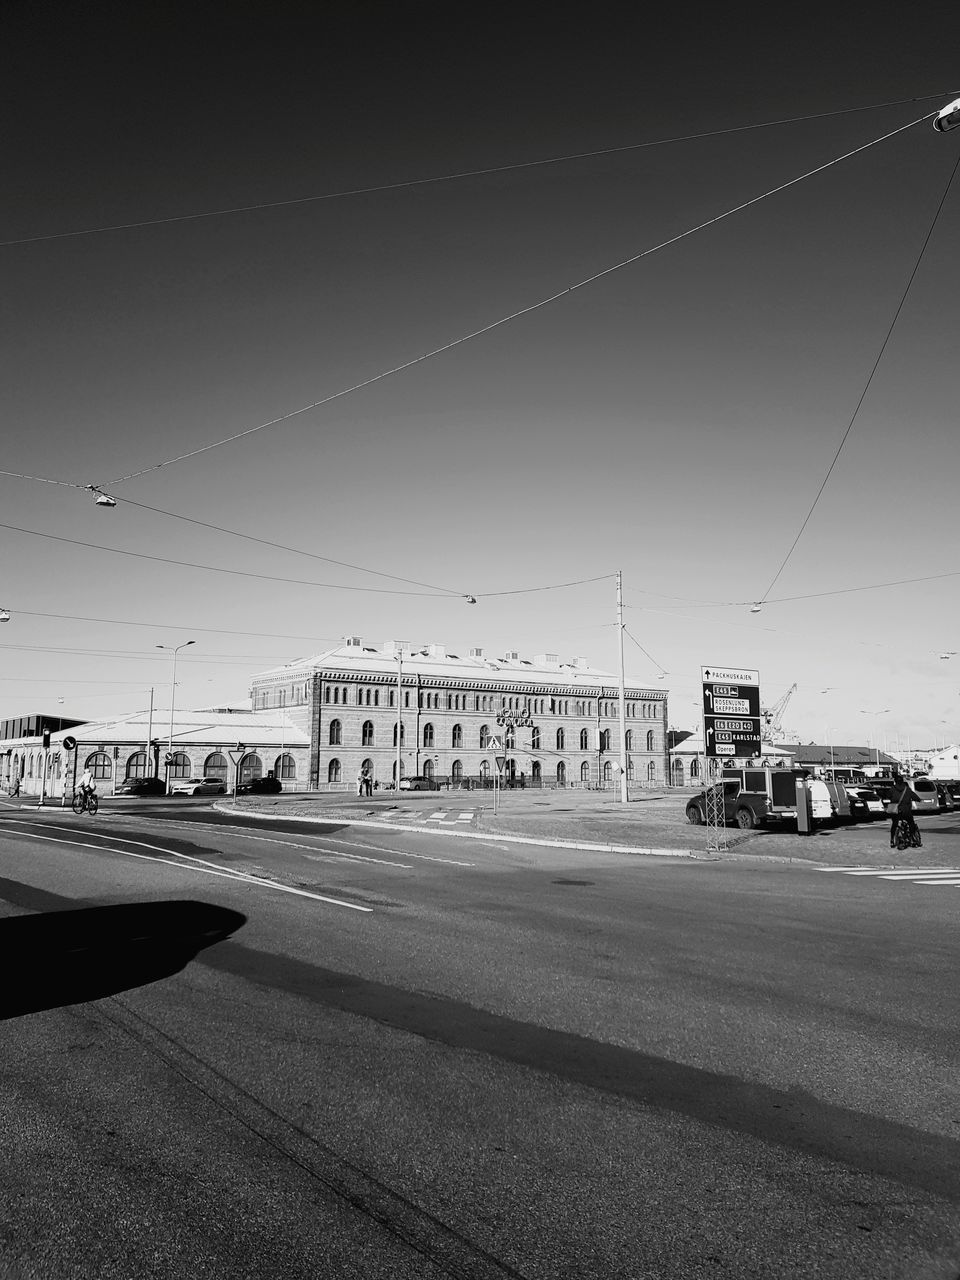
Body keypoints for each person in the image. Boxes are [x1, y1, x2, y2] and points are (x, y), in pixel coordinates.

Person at [889, 771, 921, 849]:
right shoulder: (907, 789)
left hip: (895, 811)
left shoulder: (892, 789)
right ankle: (913, 838)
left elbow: (888, 796)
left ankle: (892, 840)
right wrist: (918, 800)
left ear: (895, 781)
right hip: (906, 811)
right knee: (911, 823)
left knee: (894, 824)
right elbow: (915, 797)